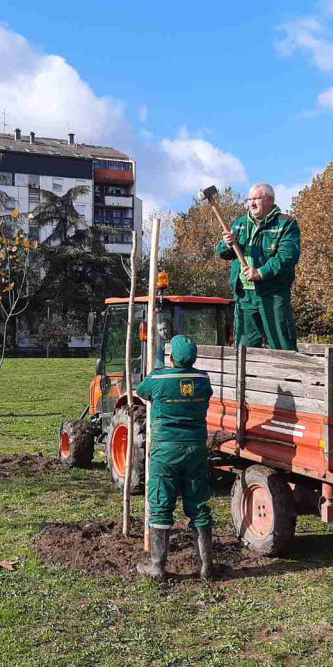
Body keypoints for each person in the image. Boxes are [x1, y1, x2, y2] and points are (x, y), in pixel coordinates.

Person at [135, 334, 215, 581]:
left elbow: (141, 392)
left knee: (160, 503)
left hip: (166, 449)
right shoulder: (203, 379)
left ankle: (157, 567)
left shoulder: (159, 378)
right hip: (195, 448)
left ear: (171, 357)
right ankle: (206, 566)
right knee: (199, 505)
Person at [215, 183, 301, 350]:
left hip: (273, 294)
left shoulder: (286, 224)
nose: (251, 203)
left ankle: (286, 376)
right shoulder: (240, 224)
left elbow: (287, 257)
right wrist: (227, 244)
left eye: (256, 199)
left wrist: (261, 272)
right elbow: (222, 252)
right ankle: (244, 377)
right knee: (244, 349)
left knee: (281, 345)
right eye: (250, 199)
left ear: (270, 200)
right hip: (245, 296)